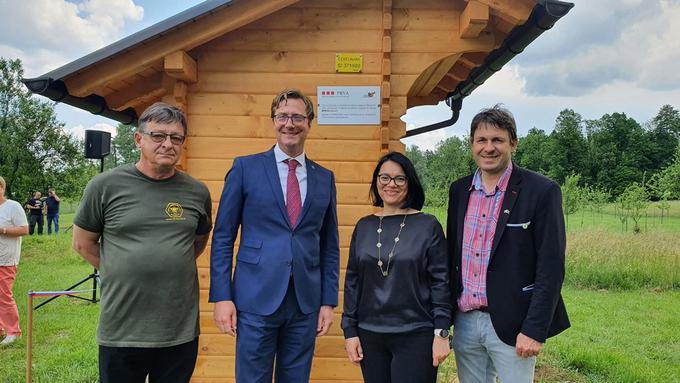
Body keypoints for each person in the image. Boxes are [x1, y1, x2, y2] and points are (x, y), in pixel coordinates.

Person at [72, 103, 212, 383]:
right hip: (122, 328)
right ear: (139, 139)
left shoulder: (196, 192)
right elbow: (83, 244)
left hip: (178, 330)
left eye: (176, 138)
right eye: (158, 136)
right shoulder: (104, 186)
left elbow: (196, 243)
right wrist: (119, 268)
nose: (168, 144)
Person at [210, 89, 340, 383]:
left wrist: (327, 302)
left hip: (305, 302)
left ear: (309, 123)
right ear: (273, 121)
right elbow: (222, 237)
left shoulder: (324, 177)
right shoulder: (245, 167)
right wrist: (222, 297)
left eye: (297, 117)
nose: (289, 124)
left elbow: (329, 246)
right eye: (282, 116)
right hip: (254, 297)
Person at [446, 105, 570, 383]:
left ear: (513, 143)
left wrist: (535, 329)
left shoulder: (541, 191)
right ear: (472, 144)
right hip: (465, 320)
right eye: (482, 140)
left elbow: (551, 267)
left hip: (515, 323)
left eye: (497, 140)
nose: (489, 148)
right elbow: (452, 257)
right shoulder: (458, 191)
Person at [342, 152, 452, 383]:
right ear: (376, 182)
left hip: (415, 334)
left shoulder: (428, 225)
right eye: (384, 178)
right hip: (370, 335)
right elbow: (353, 281)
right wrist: (350, 331)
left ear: (409, 183)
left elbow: (441, 281)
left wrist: (441, 332)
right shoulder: (364, 226)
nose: (391, 184)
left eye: (399, 179)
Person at [0, 176, 29, 346]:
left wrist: (2, 230)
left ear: (3, 188)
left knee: (3, 295)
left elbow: (24, 229)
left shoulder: (13, 206)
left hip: (6, 259)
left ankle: (13, 331)